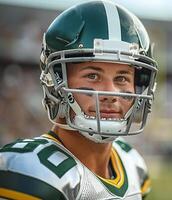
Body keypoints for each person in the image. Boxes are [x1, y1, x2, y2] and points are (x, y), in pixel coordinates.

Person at [0, 1, 158, 199]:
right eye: (93, 75)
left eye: (121, 78)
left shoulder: (132, 164)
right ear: (55, 81)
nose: (111, 93)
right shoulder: (29, 170)